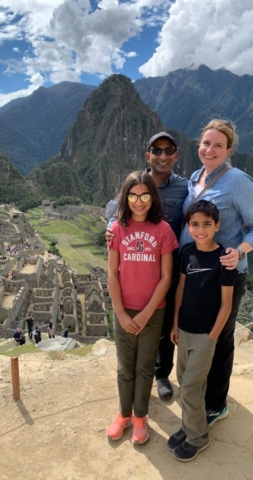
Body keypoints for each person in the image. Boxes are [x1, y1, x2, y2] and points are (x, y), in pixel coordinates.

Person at [180, 119, 253, 427]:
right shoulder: (195, 178)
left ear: (229, 150)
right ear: (199, 146)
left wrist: (239, 251)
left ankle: (216, 404)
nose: (210, 149)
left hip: (224, 273)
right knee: (197, 333)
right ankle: (199, 390)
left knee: (219, 338)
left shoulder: (239, 181)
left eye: (218, 145)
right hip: (193, 271)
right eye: (206, 143)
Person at [106, 132, 188, 401]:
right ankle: (137, 383)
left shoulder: (184, 187)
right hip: (139, 267)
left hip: (168, 265)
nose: (163, 156)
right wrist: (110, 228)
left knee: (161, 324)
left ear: (176, 155)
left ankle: (161, 373)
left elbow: (199, 214)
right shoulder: (136, 184)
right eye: (157, 150)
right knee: (138, 326)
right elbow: (113, 211)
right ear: (148, 155)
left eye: (169, 150)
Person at [106, 171, 178, 445]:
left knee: (145, 367)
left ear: (153, 197)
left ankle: (140, 416)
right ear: (126, 197)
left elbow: (166, 277)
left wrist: (148, 312)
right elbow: (112, 273)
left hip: (153, 311)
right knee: (125, 367)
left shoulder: (163, 230)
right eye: (133, 195)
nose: (139, 201)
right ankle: (124, 414)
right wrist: (122, 313)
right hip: (124, 309)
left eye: (145, 195)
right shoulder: (116, 229)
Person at [167, 200, 238, 461]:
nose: (201, 230)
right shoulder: (187, 252)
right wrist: (175, 323)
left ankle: (198, 437)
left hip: (205, 335)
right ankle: (188, 427)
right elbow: (180, 290)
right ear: (188, 226)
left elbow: (227, 304)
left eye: (207, 224)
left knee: (191, 388)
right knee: (184, 380)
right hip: (184, 329)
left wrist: (213, 337)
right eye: (195, 224)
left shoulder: (225, 259)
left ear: (217, 226)